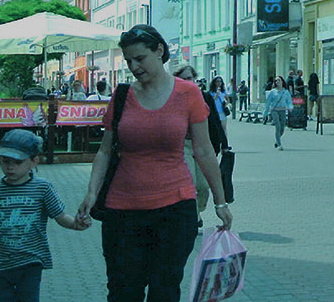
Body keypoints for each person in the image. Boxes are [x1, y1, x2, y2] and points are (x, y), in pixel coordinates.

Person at [78, 25, 232, 302]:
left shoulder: (188, 93)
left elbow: (204, 151)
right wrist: (91, 192)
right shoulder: (122, 95)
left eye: (140, 58)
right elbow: (104, 151)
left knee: (165, 291)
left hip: (175, 210)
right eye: (129, 61)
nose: (134, 67)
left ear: (159, 51)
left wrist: (220, 203)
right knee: (123, 292)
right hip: (122, 212)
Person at [0, 129, 90, 300]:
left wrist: (76, 224)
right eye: (5, 161)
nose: (10, 167)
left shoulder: (43, 188)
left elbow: (60, 216)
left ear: (34, 161)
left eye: (17, 162)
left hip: (30, 262)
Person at [171, 63, 227, 225]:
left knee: (204, 186)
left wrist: (223, 144)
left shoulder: (203, 97)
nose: (188, 81)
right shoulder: (171, 98)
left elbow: (215, 121)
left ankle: (198, 209)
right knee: (191, 182)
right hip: (183, 145)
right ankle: (194, 216)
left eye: (190, 78)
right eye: (184, 79)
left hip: (202, 144)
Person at [264, 76, 293, 150]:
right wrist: (265, 113)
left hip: (282, 110)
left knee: (282, 128)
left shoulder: (286, 92)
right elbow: (268, 103)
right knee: (278, 126)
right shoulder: (272, 92)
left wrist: (290, 107)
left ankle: (277, 140)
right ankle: (279, 144)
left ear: (282, 82)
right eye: (276, 81)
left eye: (279, 80)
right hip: (274, 110)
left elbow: (289, 101)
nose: (277, 82)